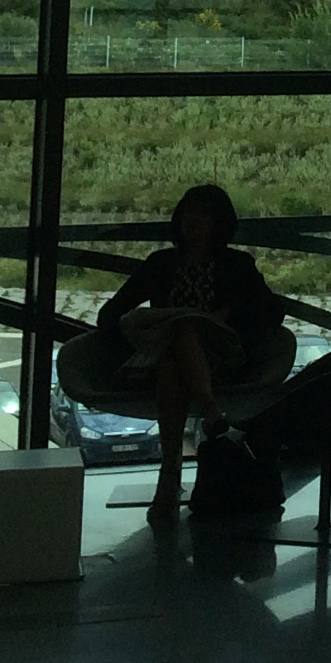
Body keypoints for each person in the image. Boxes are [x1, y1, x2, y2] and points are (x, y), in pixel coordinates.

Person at [99, 182, 289, 523]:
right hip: (167, 360)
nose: (194, 220)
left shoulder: (237, 265)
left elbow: (272, 313)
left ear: (219, 222)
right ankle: (209, 409)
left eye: (203, 213)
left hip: (221, 359)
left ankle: (169, 475)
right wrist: (144, 333)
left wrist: (226, 317)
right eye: (190, 212)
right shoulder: (160, 264)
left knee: (182, 336)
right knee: (176, 345)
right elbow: (110, 315)